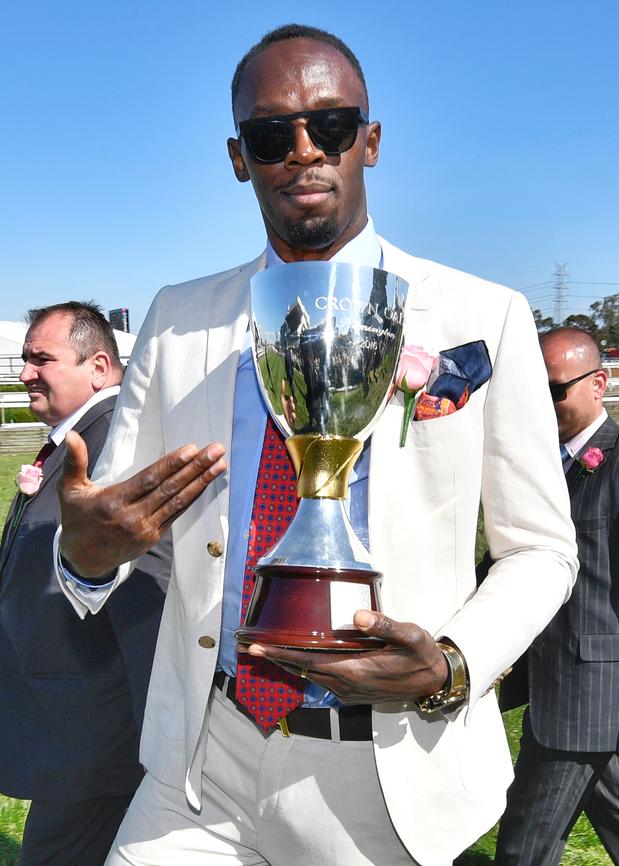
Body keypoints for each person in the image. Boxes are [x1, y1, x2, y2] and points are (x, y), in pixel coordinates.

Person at [53, 25, 578, 866]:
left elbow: (543, 551)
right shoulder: (178, 318)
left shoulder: (485, 316)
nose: (303, 151)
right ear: (239, 157)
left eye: (330, 126)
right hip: (202, 759)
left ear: (369, 140)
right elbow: (110, 521)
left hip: (383, 771)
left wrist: (449, 666)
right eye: (271, 134)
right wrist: (82, 555)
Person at [0, 302, 169, 866]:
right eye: (24, 359)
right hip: (74, 726)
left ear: (99, 366)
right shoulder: (84, 435)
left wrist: (143, 738)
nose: (25, 372)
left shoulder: (118, 440)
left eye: (40, 358)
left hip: (95, 732)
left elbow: (149, 587)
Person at [494, 326, 619, 866]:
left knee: (524, 844)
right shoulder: (543, 464)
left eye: (555, 389)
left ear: (599, 384)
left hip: (590, 692)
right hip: (554, 682)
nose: (545, 402)